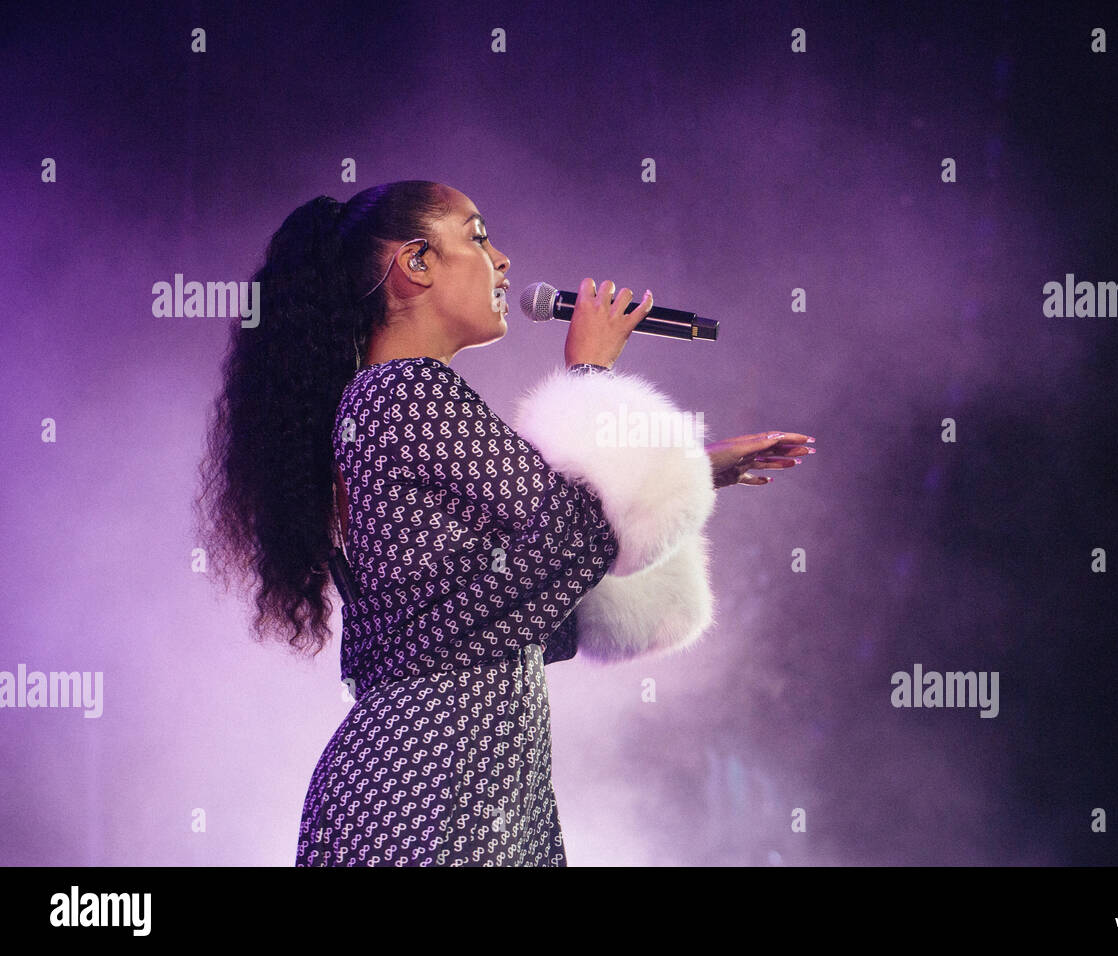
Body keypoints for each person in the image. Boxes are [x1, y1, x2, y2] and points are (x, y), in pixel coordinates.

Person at [195, 180, 814, 866]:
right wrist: (589, 376)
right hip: (431, 796)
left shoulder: (383, 401)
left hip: (448, 791)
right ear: (417, 263)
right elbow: (569, 535)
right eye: (478, 235)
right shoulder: (405, 391)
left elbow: (521, 606)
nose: (504, 260)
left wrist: (693, 471)